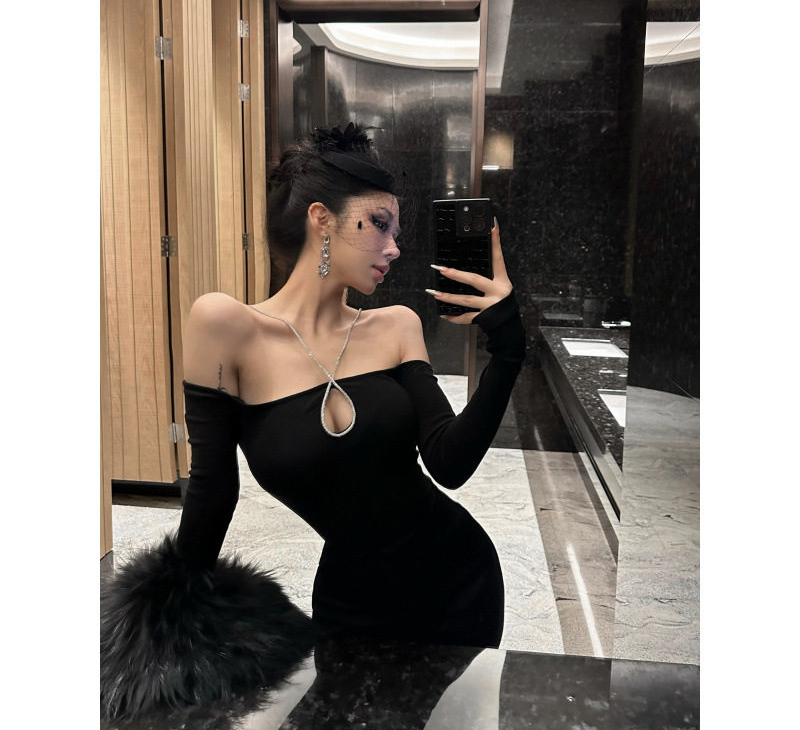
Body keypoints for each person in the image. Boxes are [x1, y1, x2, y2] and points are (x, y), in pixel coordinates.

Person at [100, 123, 526, 721]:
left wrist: (508, 348)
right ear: (321, 220)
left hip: (459, 582)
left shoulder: (395, 325)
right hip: (349, 602)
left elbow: (449, 464)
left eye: (397, 231)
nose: (394, 247)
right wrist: (163, 627)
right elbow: (214, 489)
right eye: (379, 224)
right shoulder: (226, 326)